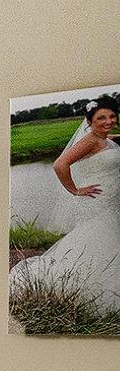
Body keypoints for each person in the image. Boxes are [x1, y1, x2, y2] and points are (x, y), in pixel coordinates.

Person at [15, 100, 120, 315]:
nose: (108, 121)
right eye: (101, 118)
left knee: (108, 239)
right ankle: (95, 290)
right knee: (100, 238)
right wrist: (75, 190)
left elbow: (107, 143)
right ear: (89, 122)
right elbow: (59, 164)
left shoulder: (103, 140)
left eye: (112, 116)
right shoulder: (90, 140)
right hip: (98, 200)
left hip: (110, 199)